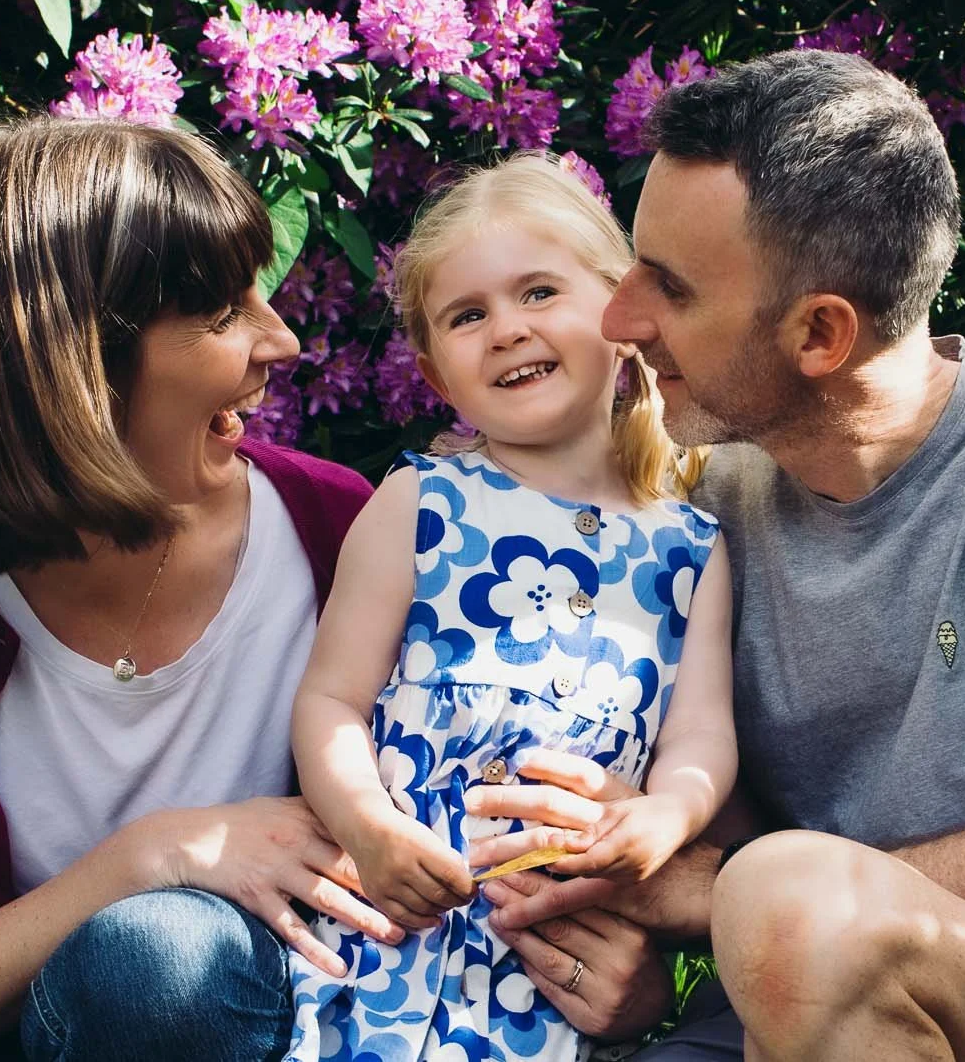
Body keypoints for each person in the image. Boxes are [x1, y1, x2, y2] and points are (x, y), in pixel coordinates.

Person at [0, 119, 668, 1062]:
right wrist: (154, 856)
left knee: (166, 973)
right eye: (225, 312)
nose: (283, 339)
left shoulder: (335, 530)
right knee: (156, 955)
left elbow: (468, 815)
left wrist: (611, 960)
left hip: (259, 1023)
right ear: (73, 367)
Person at [478, 50, 965, 1062]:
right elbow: (701, 845)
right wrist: (631, 949)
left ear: (818, 333)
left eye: (670, 288)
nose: (619, 319)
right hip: (770, 1006)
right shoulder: (708, 494)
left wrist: (721, 894)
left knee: (792, 906)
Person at [282, 154, 736, 1062]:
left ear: (618, 313)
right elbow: (329, 699)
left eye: (538, 292)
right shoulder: (417, 504)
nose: (506, 330)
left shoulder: (690, 546)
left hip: (554, 954)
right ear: (436, 371)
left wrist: (665, 818)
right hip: (389, 934)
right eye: (468, 315)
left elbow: (700, 735)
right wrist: (368, 827)